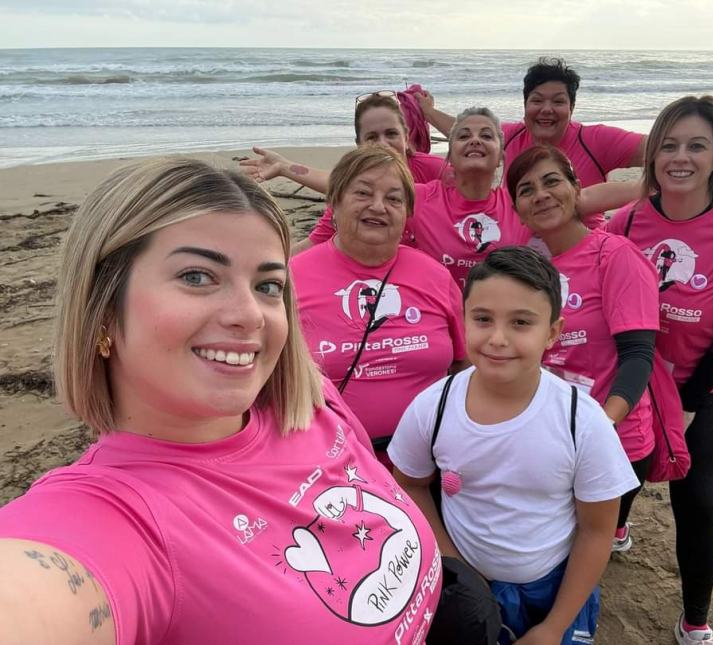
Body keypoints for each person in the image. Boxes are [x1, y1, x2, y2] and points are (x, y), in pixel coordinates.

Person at [0, 159, 442, 644]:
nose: (249, 315)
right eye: (197, 276)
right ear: (102, 309)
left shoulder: (308, 398)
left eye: (267, 286)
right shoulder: (120, 516)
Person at [388, 247, 639, 645]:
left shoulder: (582, 421)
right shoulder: (432, 407)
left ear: (552, 333)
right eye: (483, 319)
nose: (498, 338)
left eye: (521, 322)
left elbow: (597, 531)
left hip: (553, 590)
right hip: (467, 588)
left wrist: (554, 628)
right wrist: (454, 563)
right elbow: (410, 484)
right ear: (464, 319)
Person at [605, 95, 713, 645]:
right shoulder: (625, 221)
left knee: (697, 501)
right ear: (653, 154)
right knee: (621, 478)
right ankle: (616, 530)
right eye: (670, 145)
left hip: (704, 387)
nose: (680, 157)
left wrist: (689, 400)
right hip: (634, 382)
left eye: (696, 146)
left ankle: (695, 622)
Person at [419, 57, 713, 227]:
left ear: (572, 107)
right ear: (524, 105)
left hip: (581, 245)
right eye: (536, 100)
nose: (546, 110)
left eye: (558, 102)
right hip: (522, 243)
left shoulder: (596, 140)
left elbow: (670, 145)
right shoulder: (510, 135)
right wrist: (427, 110)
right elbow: (466, 131)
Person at [506, 143, 661, 553]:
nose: (540, 194)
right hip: (551, 437)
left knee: (578, 549)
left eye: (552, 181)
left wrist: (599, 428)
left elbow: (638, 357)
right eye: (526, 189)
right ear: (518, 210)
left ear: (577, 190)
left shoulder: (615, 256)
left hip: (613, 438)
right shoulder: (528, 270)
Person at [303, 106, 639, 288]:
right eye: (463, 135)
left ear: (501, 155)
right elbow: (355, 190)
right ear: (449, 154)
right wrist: (293, 170)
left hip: (502, 323)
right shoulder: (420, 198)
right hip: (439, 316)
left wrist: (655, 188)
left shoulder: (519, 203)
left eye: (486, 135)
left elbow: (582, 199)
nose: (475, 140)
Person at [290, 146, 467, 463]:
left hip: (433, 461)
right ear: (333, 203)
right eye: (362, 193)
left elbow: (462, 364)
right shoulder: (294, 278)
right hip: (334, 467)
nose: (378, 206)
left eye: (394, 199)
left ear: (407, 213)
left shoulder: (435, 276)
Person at [240, 91, 447, 251]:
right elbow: (316, 242)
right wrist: (267, 266)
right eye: (372, 137)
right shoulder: (351, 195)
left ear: (406, 136)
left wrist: (430, 113)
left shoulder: (434, 170)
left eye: (391, 134)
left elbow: (476, 179)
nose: (383, 144)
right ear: (359, 144)